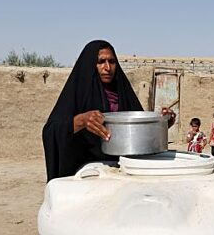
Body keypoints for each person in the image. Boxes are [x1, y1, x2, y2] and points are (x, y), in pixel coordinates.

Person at [42, 40, 175, 181]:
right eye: (101, 62)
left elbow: (138, 131)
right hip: (88, 173)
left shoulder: (123, 93)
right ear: (91, 64)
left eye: (112, 62)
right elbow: (51, 131)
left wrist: (163, 123)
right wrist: (81, 120)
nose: (107, 67)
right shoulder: (78, 93)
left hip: (124, 170)